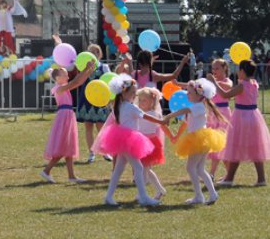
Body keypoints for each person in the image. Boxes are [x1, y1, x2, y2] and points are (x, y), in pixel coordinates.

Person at [95, 74, 168, 206]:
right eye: (133, 93)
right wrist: (161, 121)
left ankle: (109, 196)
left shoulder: (119, 106)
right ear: (124, 94)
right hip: (128, 139)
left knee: (119, 169)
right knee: (139, 168)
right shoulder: (129, 106)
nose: (135, 96)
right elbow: (145, 116)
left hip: (122, 139)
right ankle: (144, 197)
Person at [208, 59, 270, 186]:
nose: (237, 72)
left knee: (236, 145)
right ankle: (261, 179)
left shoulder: (242, 85)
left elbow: (225, 95)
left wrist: (214, 83)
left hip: (242, 117)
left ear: (243, 71)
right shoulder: (254, 83)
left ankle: (229, 179)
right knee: (256, 148)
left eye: (239, 70)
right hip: (254, 116)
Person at [164, 79, 226, 204]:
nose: (187, 94)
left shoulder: (198, 107)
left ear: (198, 95)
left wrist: (169, 116)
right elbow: (186, 121)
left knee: (191, 167)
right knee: (200, 169)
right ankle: (212, 194)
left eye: (190, 92)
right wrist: (176, 133)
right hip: (201, 139)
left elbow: (185, 111)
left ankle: (199, 196)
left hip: (199, 140)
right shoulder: (196, 106)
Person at [40, 61, 95, 183]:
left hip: (68, 115)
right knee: (63, 146)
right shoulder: (58, 89)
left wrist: (88, 71)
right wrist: (85, 69)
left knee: (69, 146)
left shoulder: (62, 87)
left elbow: (78, 82)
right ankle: (46, 170)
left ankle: (71, 176)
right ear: (58, 78)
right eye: (65, 75)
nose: (68, 76)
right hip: (64, 116)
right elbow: (76, 82)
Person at [136, 87, 177, 201]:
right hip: (140, 142)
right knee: (146, 169)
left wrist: (172, 136)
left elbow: (164, 127)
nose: (140, 103)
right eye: (140, 100)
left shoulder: (155, 114)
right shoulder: (139, 113)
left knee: (144, 169)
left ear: (151, 101)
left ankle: (142, 193)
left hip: (150, 143)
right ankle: (159, 189)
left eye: (144, 100)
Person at [204, 59, 233, 180]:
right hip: (212, 114)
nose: (214, 71)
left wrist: (213, 81)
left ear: (224, 69)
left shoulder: (227, 81)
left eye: (217, 68)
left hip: (223, 114)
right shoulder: (212, 82)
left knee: (219, 144)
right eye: (213, 68)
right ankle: (229, 174)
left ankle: (211, 174)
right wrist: (179, 84)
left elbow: (227, 87)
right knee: (215, 144)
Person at [117, 49, 189, 88]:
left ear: (139, 64)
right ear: (150, 62)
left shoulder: (133, 75)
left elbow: (123, 82)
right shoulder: (154, 76)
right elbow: (174, 75)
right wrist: (182, 62)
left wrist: (128, 62)